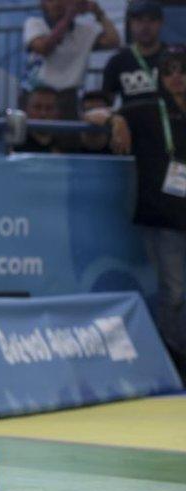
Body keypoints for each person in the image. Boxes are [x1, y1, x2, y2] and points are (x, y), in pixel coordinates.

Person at [88, 47, 186, 379]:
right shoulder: (146, 108)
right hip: (163, 214)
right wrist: (116, 119)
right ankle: (175, 360)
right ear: (159, 75)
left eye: (183, 69)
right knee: (174, 292)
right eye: (170, 70)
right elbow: (91, 114)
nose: (177, 76)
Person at [22, 0, 119, 120]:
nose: (58, 3)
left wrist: (98, 13)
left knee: (68, 137)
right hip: (38, 95)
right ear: (43, 4)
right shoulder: (35, 24)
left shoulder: (85, 31)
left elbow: (113, 41)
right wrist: (69, 16)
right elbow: (43, 48)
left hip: (68, 97)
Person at [102, 0, 165, 106]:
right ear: (130, 24)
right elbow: (105, 104)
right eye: (139, 20)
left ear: (161, 23)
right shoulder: (117, 62)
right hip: (130, 121)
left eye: (152, 20)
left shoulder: (176, 57)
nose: (145, 26)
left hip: (170, 121)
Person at [15, 86, 65, 153]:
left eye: (49, 108)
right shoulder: (14, 149)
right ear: (27, 110)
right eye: (37, 107)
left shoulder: (67, 148)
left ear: (58, 112)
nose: (43, 114)